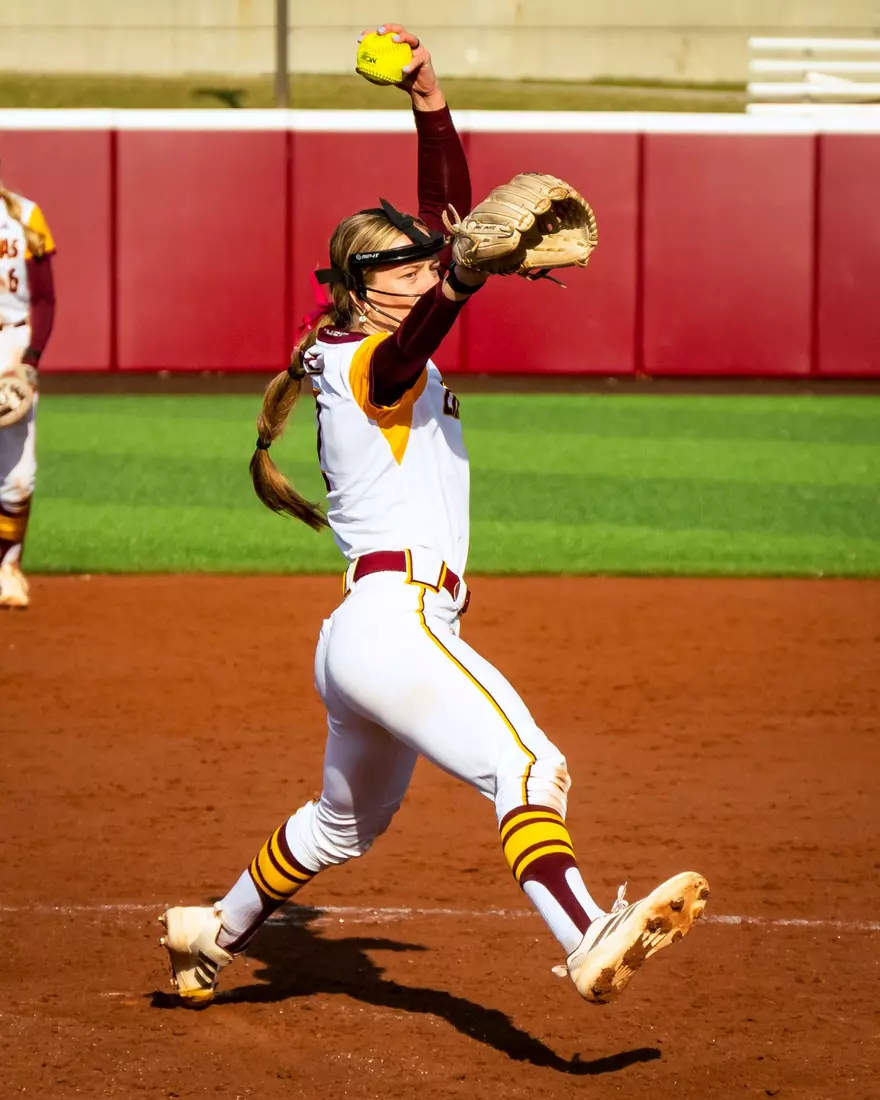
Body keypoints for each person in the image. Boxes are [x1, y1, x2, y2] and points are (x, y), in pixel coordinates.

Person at [160, 24, 708, 1008]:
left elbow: (444, 222)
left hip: (363, 636)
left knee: (340, 826)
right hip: (395, 622)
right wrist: (454, 280)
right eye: (406, 271)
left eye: (425, 266)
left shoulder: (345, 336)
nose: (425, 271)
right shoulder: (364, 359)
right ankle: (587, 930)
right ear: (360, 292)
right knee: (529, 761)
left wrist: (426, 92)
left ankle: (214, 926)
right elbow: (416, 339)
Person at [0, 178, 56, 609]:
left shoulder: (26, 216)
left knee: (17, 476)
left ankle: (9, 566)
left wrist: (31, 358)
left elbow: (45, 298)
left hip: (12, 346)